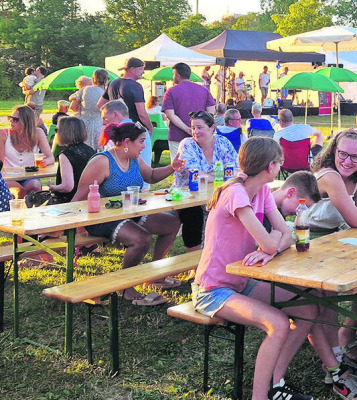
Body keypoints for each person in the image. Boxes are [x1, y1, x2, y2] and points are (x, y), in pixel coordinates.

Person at [193, 137, 357, 400]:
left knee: (308, 308)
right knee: (278, 324)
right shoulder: (235, 193)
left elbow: (286, 233)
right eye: (280, 162)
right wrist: (270, 245)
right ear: (271, 166)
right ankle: (260, 396)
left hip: (243, 280)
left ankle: (277, 383)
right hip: (213, 289)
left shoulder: (260, 190)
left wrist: (272, 244)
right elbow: (271, 242)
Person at [73, 123, 184, 305]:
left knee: (172, 224)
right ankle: (126, 286)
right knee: (142, 239)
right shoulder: (102, 161)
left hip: (129, 212)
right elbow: (79, 197)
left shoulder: (133, 158)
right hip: (102, 218)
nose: (144, 146)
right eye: (141, 141)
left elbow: (152, 176)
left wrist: (172, 167)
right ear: (126, 142)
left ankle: (154, 273)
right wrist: (75, 228)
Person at [173, 111, 237, 251]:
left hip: (217, 192)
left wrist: (209, 175)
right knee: (192, 213)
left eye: (200, 127)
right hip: (188, 194)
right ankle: (195, 262)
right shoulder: (187, 144)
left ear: (212, 127)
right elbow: (194, 174)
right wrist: (219, 176)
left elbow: (235, 170)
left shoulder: (223, 142)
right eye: (193, 127)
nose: (195, 131)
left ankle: (219, 255)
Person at [308, 130, 357, 233]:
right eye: (342, 154)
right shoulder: (329, 177)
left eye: (355, 157)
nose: (347, 162)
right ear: (334, 151)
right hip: (307, 238)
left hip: (334, 236)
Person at [98, 58, 154, 171]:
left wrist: (112, 115)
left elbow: (100, 105)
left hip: (117, 130)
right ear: (132, 69)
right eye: (141, 69)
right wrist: (150, 127)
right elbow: (141, 112)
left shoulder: (113, 83)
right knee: (142, 163)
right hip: (135, 129)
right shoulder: (135, 86)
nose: (143, 72)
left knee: (119, 163)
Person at [162, 62, 216, 160]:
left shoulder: (171, 91)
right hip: (201, 135)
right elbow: (211, 112)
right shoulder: (204, 90)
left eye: (173, 74)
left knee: (178, 167)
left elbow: (170, 114)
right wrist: (200, 128)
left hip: (177, 135)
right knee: (200, 166)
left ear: (178, 76)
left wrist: (187, 129)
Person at [0, 105, 54, 197]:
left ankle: (34, 210)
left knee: (34, 187)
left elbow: (50, 157)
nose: (11, 121)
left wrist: (46, 162)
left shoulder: (38, 133)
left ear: (26, 121)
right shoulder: (3, 134)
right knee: (20, 191)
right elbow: (0, 163)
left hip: (30, 175)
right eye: (10, 118)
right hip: (8, 176)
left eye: (15, 119)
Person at [48, 117, 96, 203]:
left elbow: (67, 186)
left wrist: (52, 187)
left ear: (64, 132)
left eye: (57, 130)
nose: (56, 133)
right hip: (90, 198)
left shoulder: (66, 154)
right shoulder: (90, 150)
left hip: (71, 202)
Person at [74, 69, 107, 151]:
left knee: (83, 148)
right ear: (106, 80)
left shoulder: (85, 89)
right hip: (98, 124)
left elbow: (73, 106)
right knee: (98, 149)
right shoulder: (105, 93)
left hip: (83, 123)